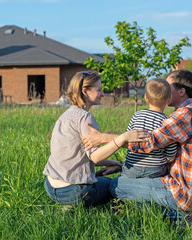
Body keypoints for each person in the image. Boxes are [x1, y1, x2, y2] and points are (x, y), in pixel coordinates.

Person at [83, 69, 192, 223]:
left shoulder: (186, 114)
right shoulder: (187, 113)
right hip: (190, 190)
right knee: (129, 184)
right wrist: (122, 165)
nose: (165, 87)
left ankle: (180, 218)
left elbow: (149, 142)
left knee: (115, 185)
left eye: (169, 84)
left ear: (181, 91)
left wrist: (103, 137)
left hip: (185, 193)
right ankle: (173, 215)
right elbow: (167, 154)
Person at [43, 71, 148, 207]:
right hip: (73, 191)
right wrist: (123, 138)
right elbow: (95, 157)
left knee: (102, 179)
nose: (103, 94)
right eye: (99, 90)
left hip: (51, 187)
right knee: (117, 184)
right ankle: (120, 211)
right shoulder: (85, 117)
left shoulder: (65, 116)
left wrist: (116, 164)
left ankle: (70, 208)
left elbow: (79, 156)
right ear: (85, 91)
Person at [121, 78, 177, 179]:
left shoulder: (137, 115)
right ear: (169, 99)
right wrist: (168, 159)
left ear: (146, 98)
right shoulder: (167, 122)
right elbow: (171, 151)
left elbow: (127, 138)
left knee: (125, 176)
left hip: (132, 166)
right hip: (155, 169)